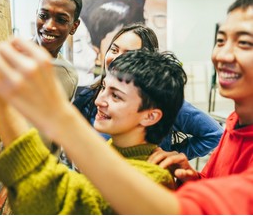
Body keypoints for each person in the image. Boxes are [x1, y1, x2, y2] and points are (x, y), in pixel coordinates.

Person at [0, 0, 253, 214]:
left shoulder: (152, 172)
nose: (224, 54)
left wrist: (49, 114)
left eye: (244, 43)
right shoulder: (235, 126)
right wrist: (197, 180)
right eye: (220, 40)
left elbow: (57, 199)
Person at [0, 45, 186, 214]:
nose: (99, 100)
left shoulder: (153, 180)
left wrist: (2, 104)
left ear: (150, 116)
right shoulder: (112, 150)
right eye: (104, 88)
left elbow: (52, 205)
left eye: (116, 96)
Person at [74, 23, 223, 160]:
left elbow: (214, 134)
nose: (117, 59)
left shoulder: (161, 100)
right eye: (114, 49)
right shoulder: (88, 97)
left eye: (129, 55)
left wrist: (173, 155)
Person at [33, 0, 82, 101]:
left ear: (74, 26)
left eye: (61, 20)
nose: (49, 26)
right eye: (43, 15)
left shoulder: (69, 76)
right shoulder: (10, 59)